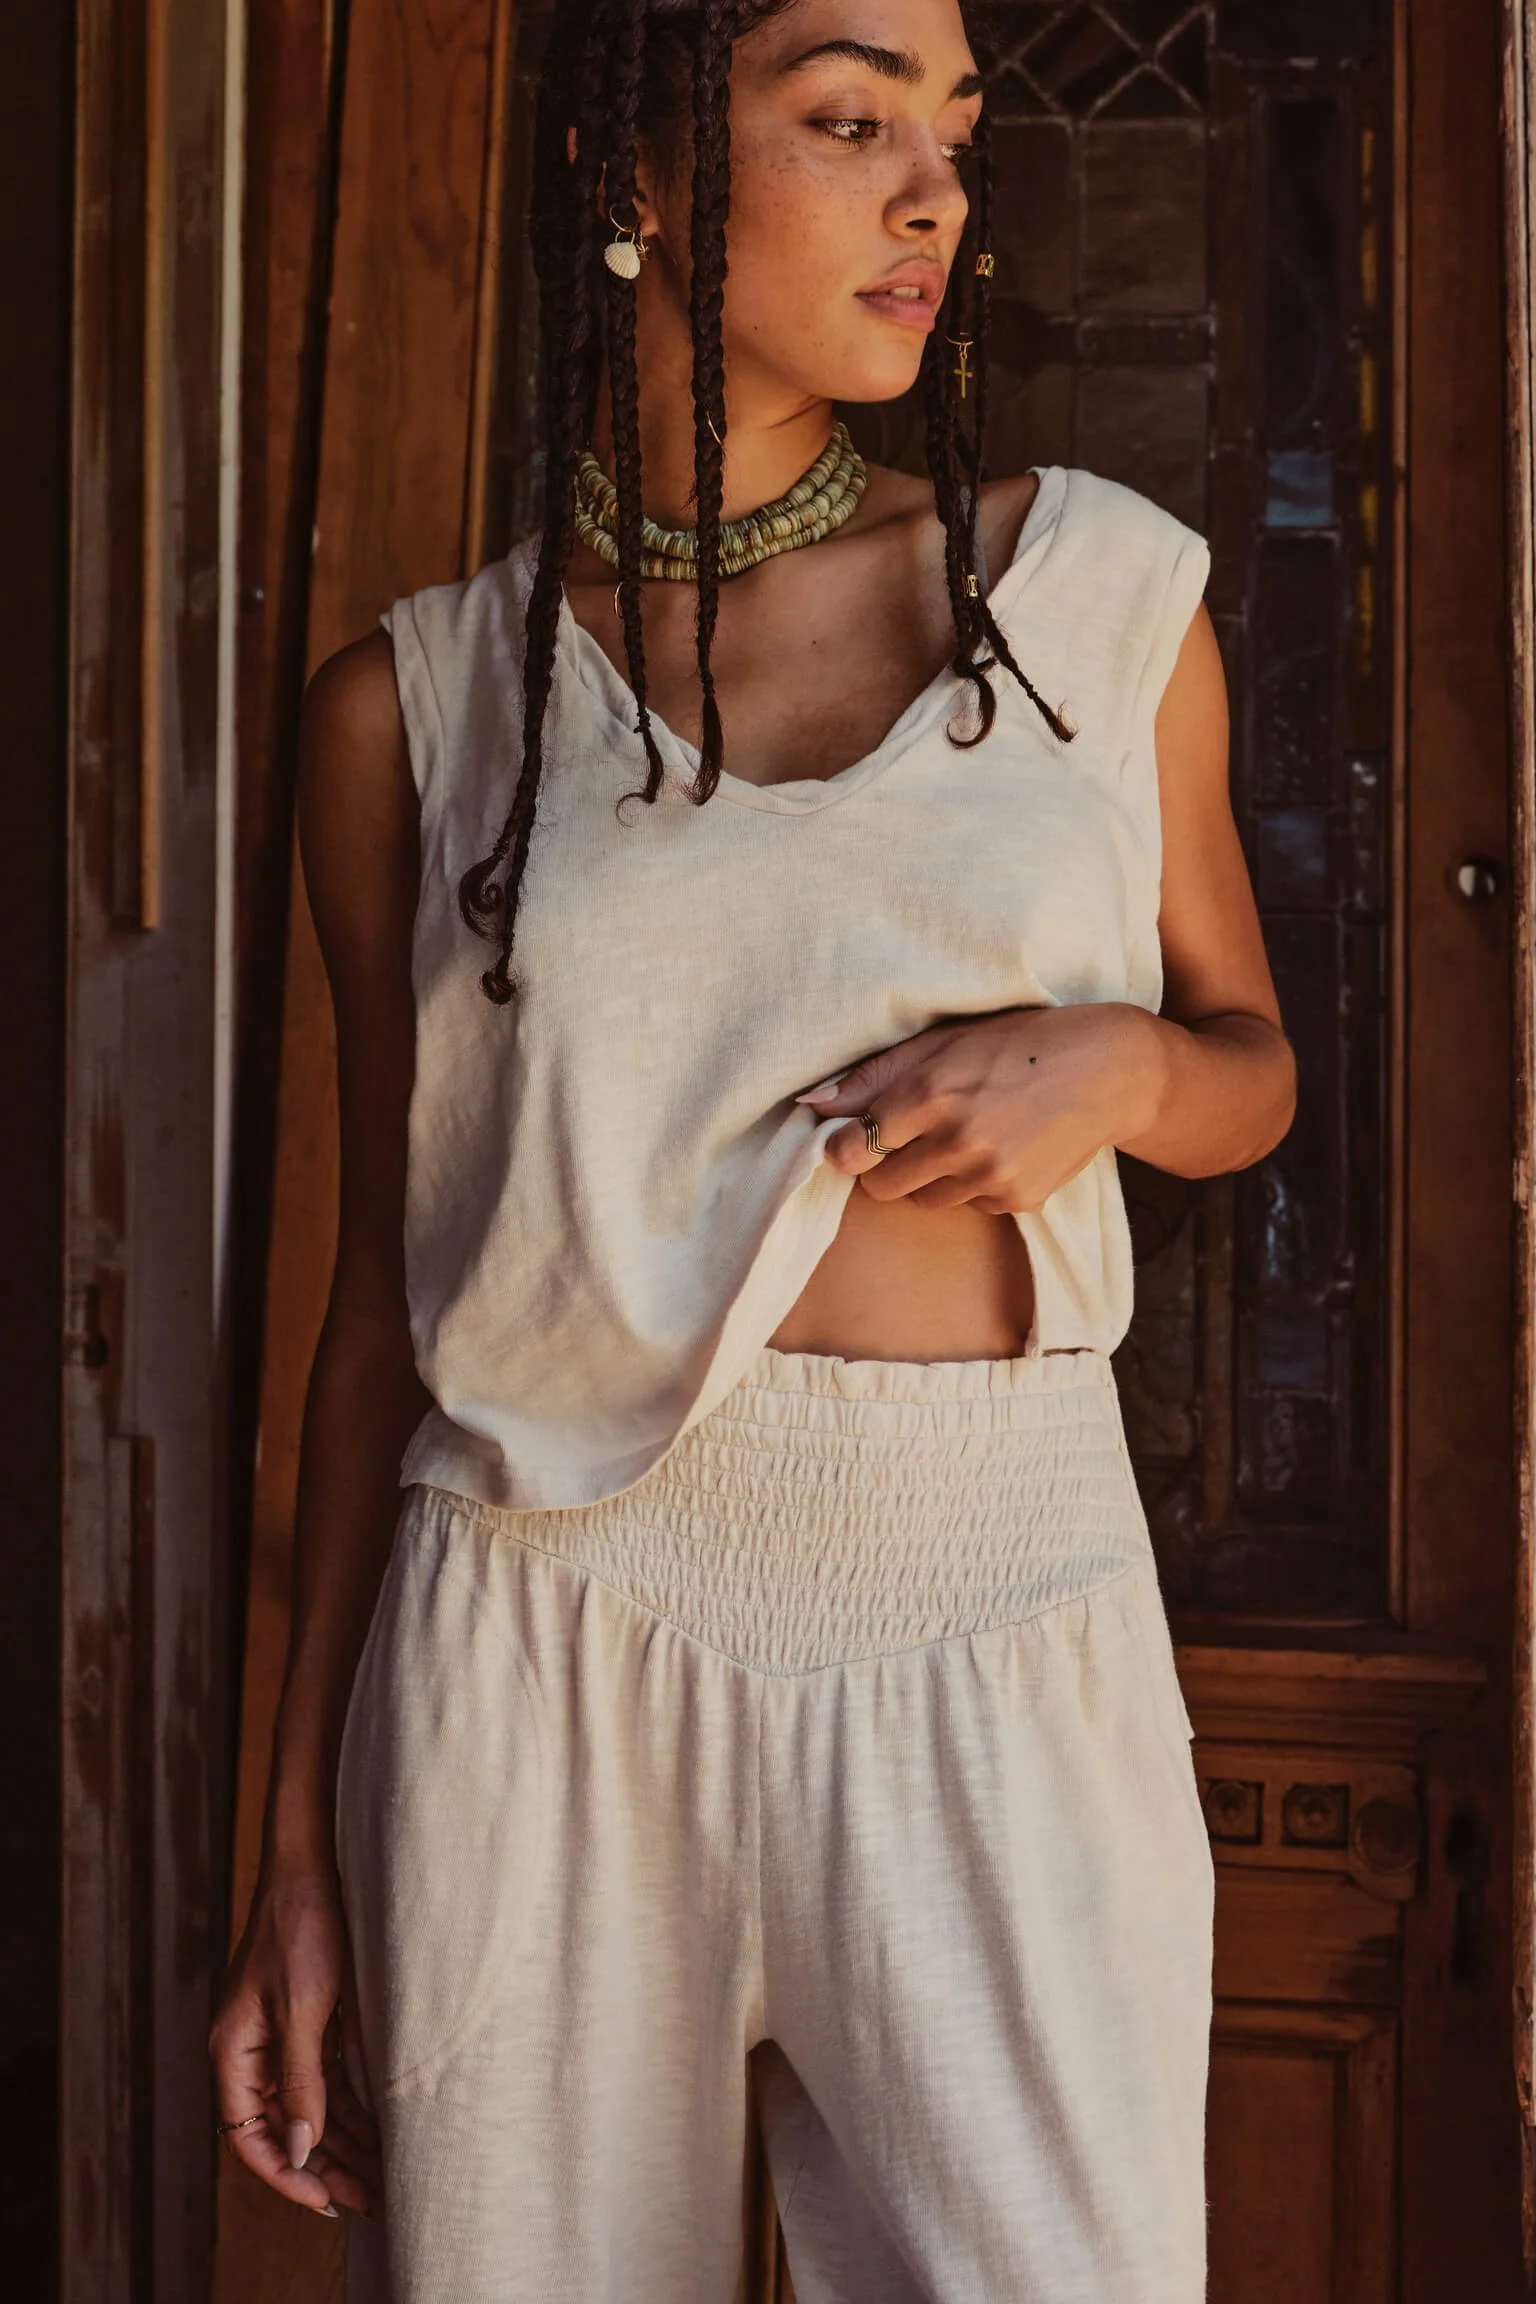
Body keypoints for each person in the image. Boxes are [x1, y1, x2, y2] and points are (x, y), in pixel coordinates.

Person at [210, 0, 1295, 2296]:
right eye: (847, 119)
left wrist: (1110, 1066)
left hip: (994, 1595)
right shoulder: (421, 708)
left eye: (958, 133)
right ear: (632, 172)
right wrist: (288, 1852)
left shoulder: (1096, 595)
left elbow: (1248, 1064)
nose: (935, 192)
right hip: (537, 1628)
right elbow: (373, 1319)